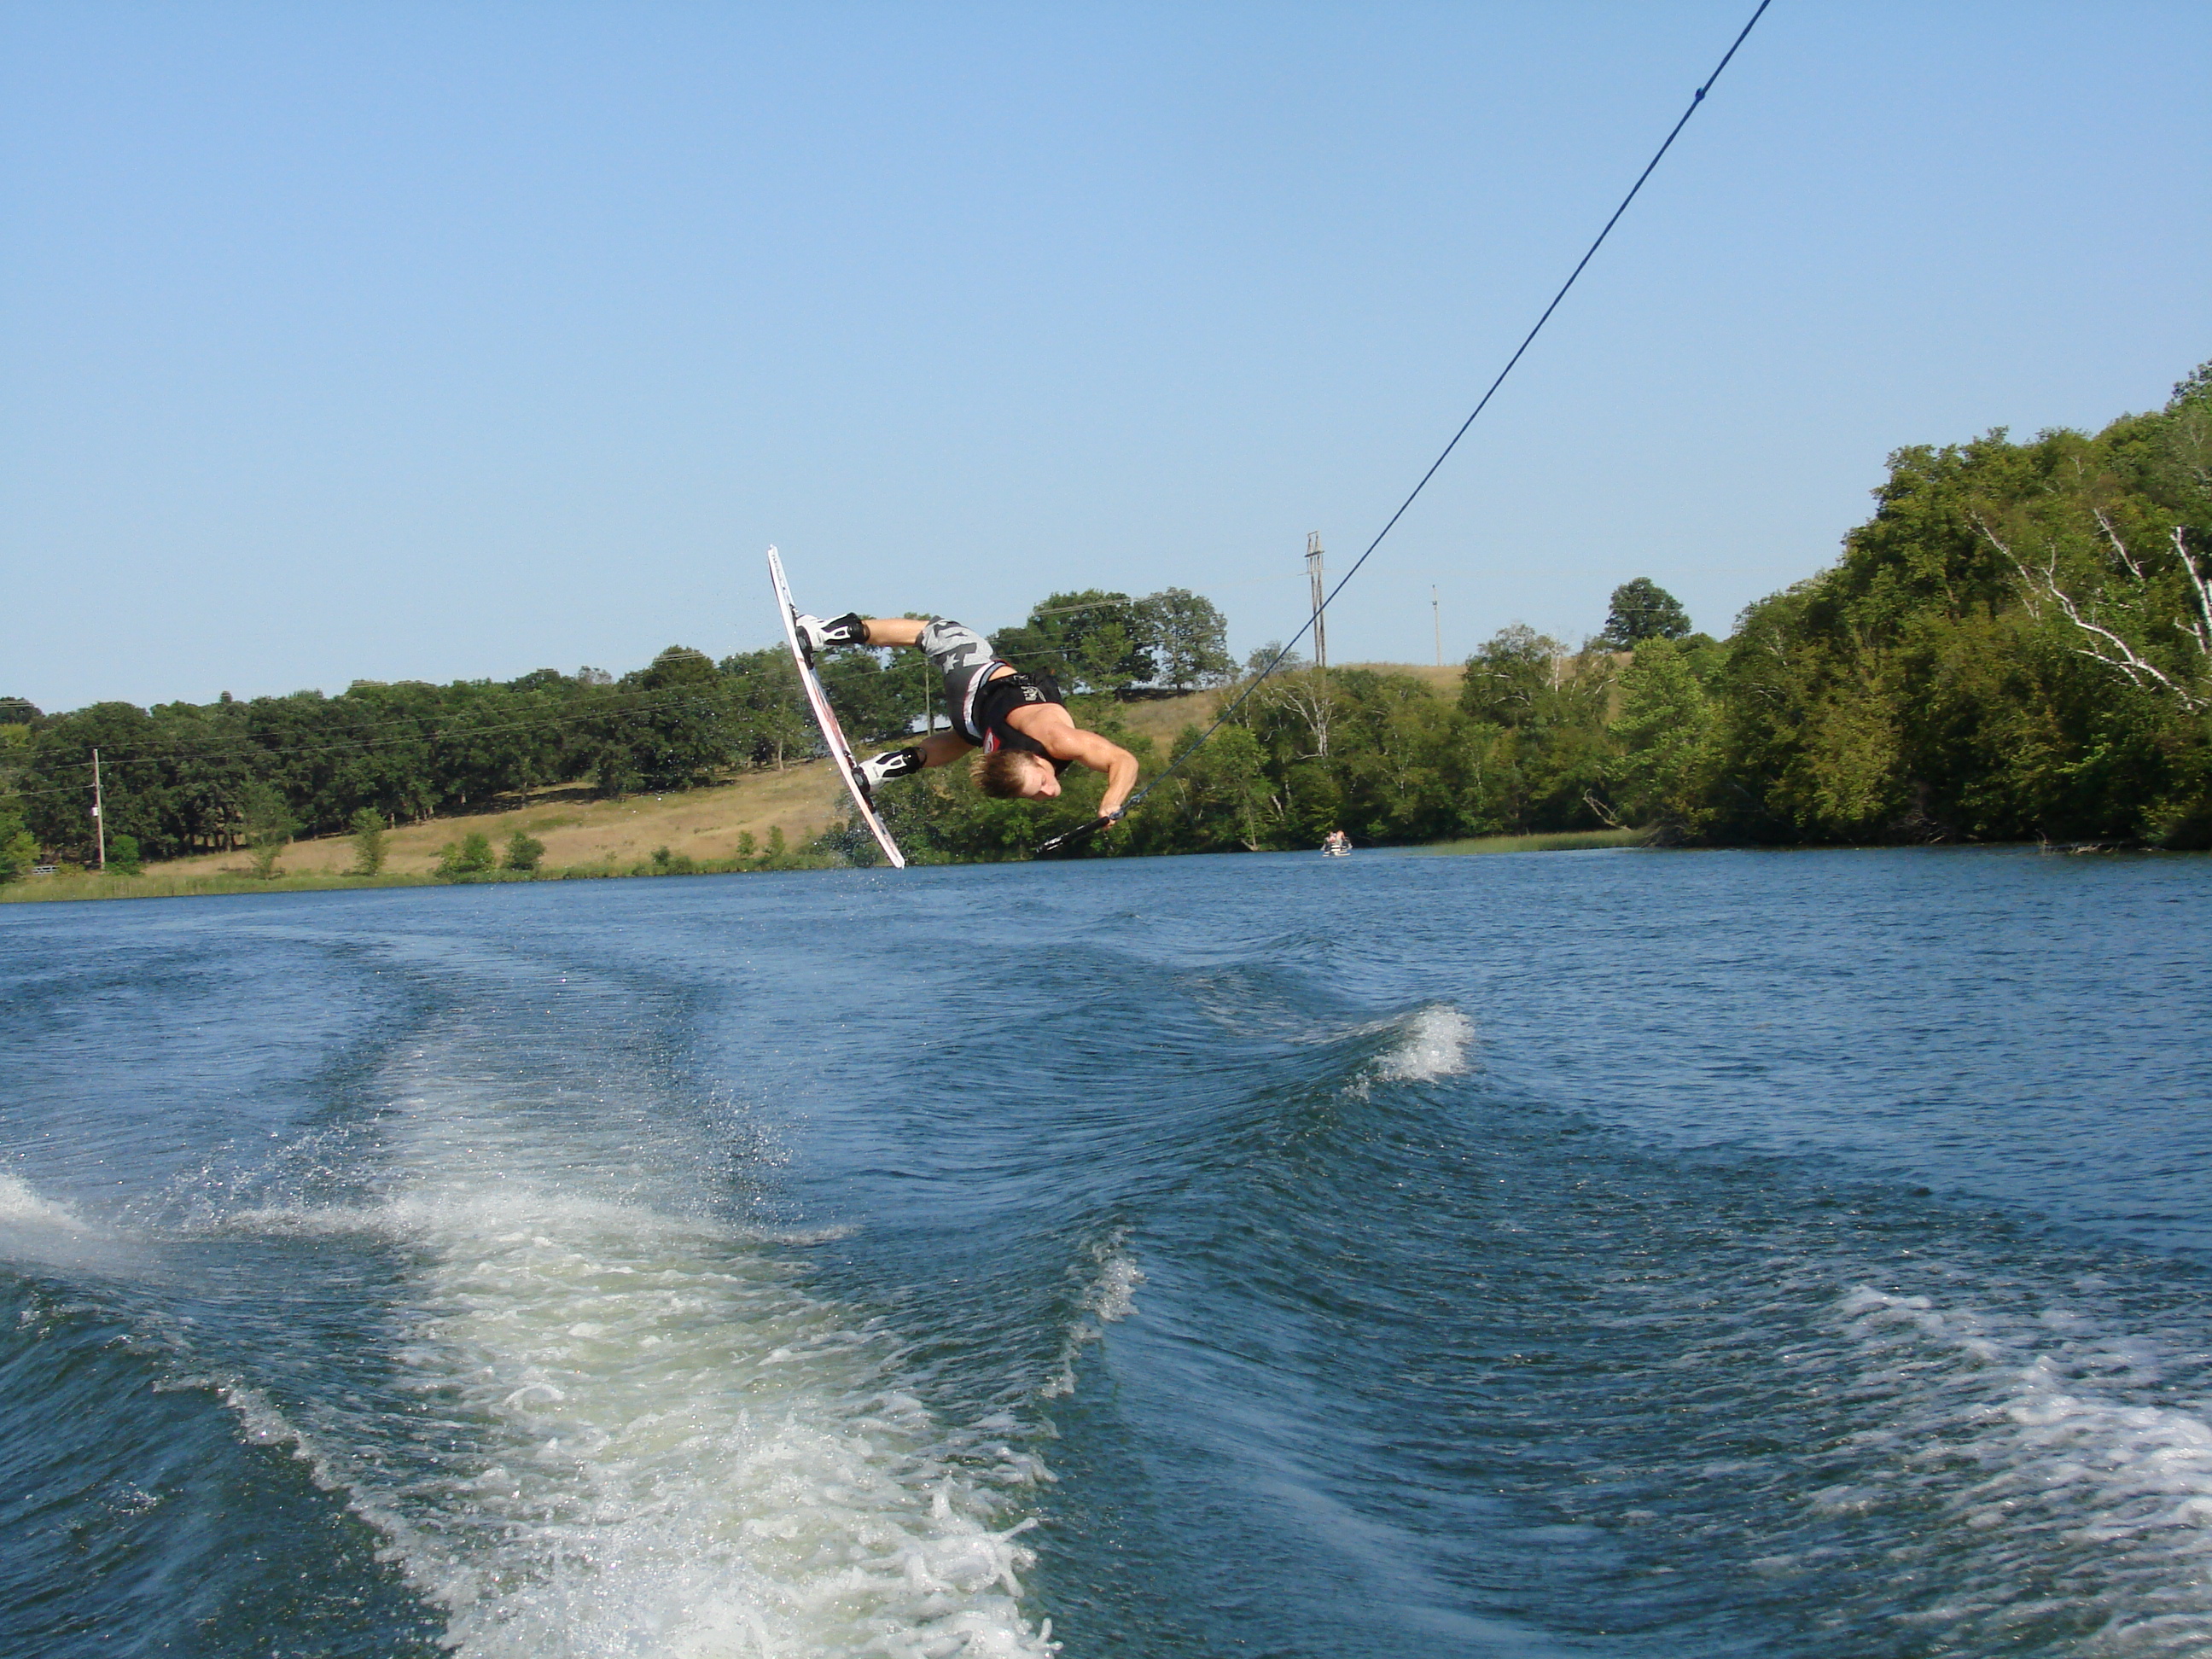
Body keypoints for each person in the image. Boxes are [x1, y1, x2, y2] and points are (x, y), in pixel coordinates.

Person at [794, 611, 1140, 818]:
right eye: (1041, 785)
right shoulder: (1058, 739)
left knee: (937, 641)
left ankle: (881, 769)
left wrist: (1110, 801)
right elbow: (1123, 760)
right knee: (938, 634)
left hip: (976, 702)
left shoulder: (1019, 758)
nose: (1048, 792)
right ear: (1034, 760)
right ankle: (824, 634)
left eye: (1034, 792)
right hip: (978, 707)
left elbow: (1121, 760)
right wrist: (1111, 802)